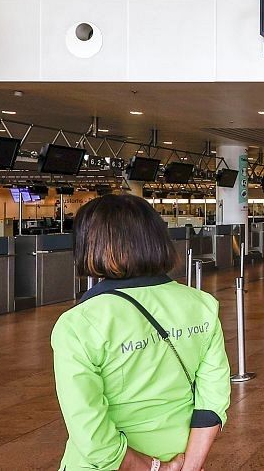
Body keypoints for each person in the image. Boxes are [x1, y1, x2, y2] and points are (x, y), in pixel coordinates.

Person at [52, 194, 231, 471]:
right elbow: (213, 400)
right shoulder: (202, 306)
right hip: (184, 456)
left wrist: (156, 468)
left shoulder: (79, 324)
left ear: (92, 245)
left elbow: (90, 432)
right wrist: (190, 466)